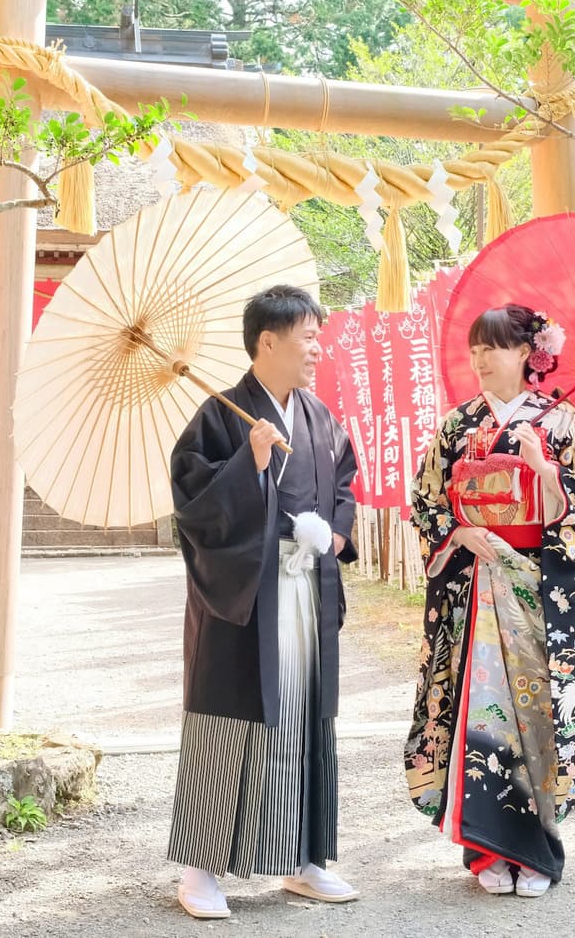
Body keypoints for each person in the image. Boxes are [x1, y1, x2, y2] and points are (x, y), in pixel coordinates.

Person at [165, 285, 361, 919]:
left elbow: (343, 484)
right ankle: (200, 868)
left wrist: (334, 534)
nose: (317, 349)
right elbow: (193, 504)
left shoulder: (318, 417)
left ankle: (304, 859)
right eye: (308, 337)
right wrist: (245, 465)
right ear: (268, 342)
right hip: (244, 594)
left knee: (303, 716)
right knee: (229, 719)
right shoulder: (220, 415)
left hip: (305, 585)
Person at [405, 303, 575, 897]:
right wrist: (459, 532)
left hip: (538, 585)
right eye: (474, 350)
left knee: (538, 709)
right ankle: (484, 850)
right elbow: (425, 498)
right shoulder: (457, 424)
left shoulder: (561, 420)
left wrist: (544, 468)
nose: (480, 360)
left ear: (526, 354)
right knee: (479, 707)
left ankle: (538, 851)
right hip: (475, 581)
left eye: (491, 348)